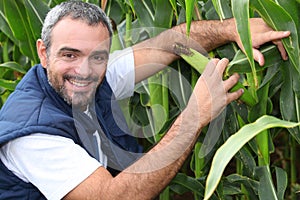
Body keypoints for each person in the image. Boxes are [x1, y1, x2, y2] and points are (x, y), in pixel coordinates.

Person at [0, 1, 290, 199]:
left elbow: (171, 43)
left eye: (98, 56)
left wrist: (232, 28)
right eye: (69, 55)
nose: (84, 70)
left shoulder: (94, 76)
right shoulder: (33, 133)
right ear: (42, 53)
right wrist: (194, 116)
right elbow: (118, 196)